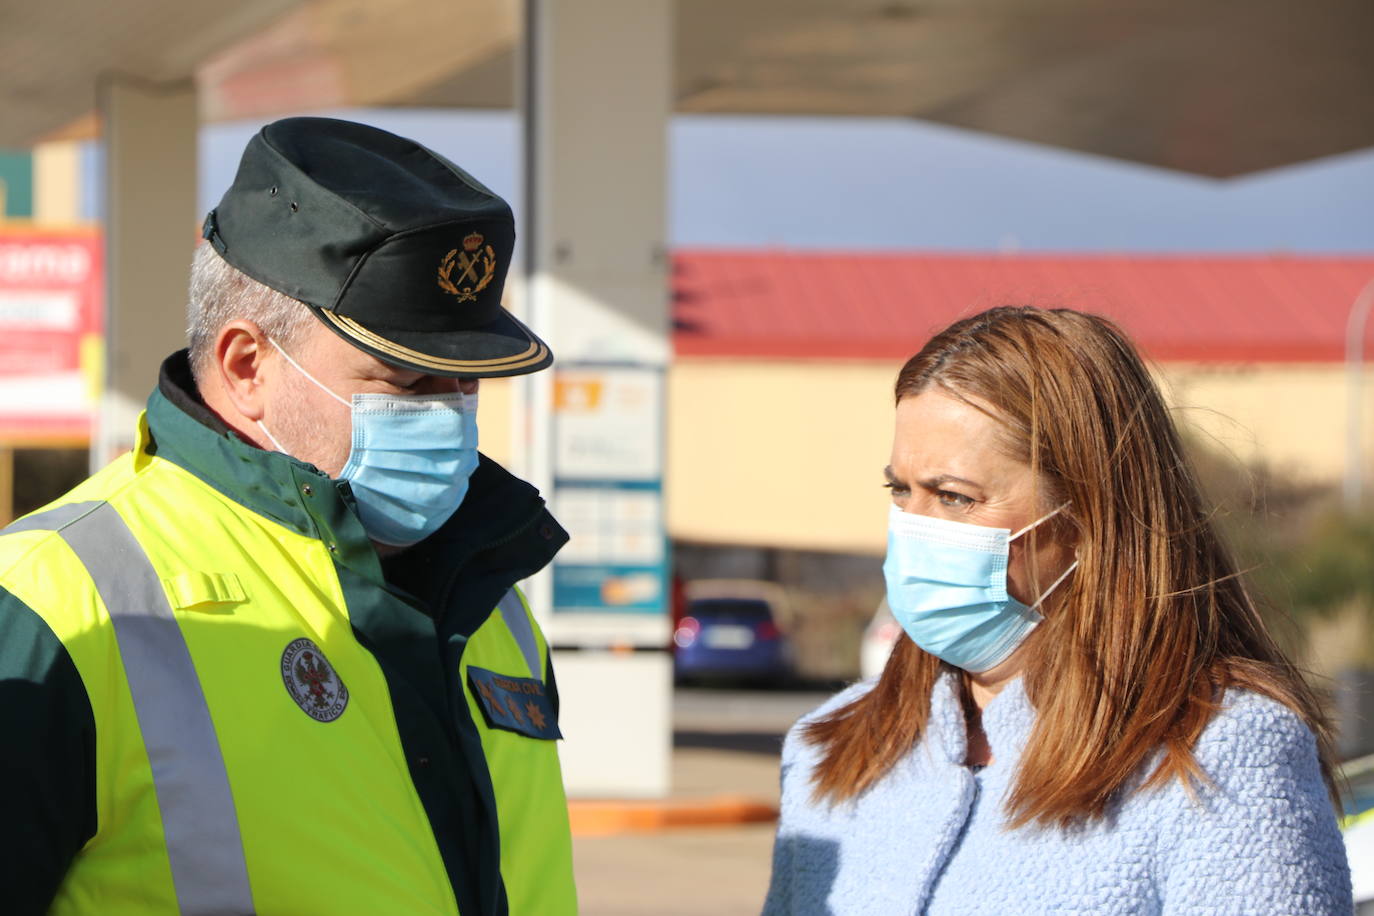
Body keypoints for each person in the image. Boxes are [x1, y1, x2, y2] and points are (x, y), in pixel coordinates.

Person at [0, 117, 575, 915]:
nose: (449, 417)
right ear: (247, 366)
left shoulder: (487, 597)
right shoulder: (53, 602)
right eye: (406, 383)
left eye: (464, 384)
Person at [763, 307, 1353, 914]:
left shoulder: (1219, 753)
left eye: (955, 497)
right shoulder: (827, 752)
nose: (915, 529)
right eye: (902, 491)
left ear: (1087, 516)